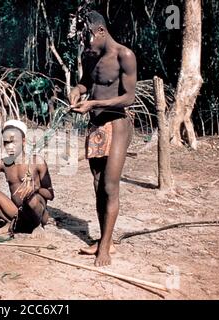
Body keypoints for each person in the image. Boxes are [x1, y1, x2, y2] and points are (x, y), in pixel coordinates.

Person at [69, 10, 136, 266]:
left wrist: (95, 102)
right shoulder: (89, 55)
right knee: (98, 185)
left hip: (117, 124)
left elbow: (129, 97)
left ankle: (105, 248)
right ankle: (103, 239)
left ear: (100, 31)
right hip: (95, 124)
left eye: (87, 37)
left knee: (109, 185)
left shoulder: (124, 55)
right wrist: (77, 90)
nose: (85, 44)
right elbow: (87, 82)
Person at [0, 120, 54, 234]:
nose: (10, 147)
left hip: (37, 213)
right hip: (17, 212)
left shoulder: (37, 161)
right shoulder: (4, 163)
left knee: (31, 198)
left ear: (23, 141)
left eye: (13, 142)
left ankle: (37, 226)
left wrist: (36, 189)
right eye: (6, 143)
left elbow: (50, 195)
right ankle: (11, 222)